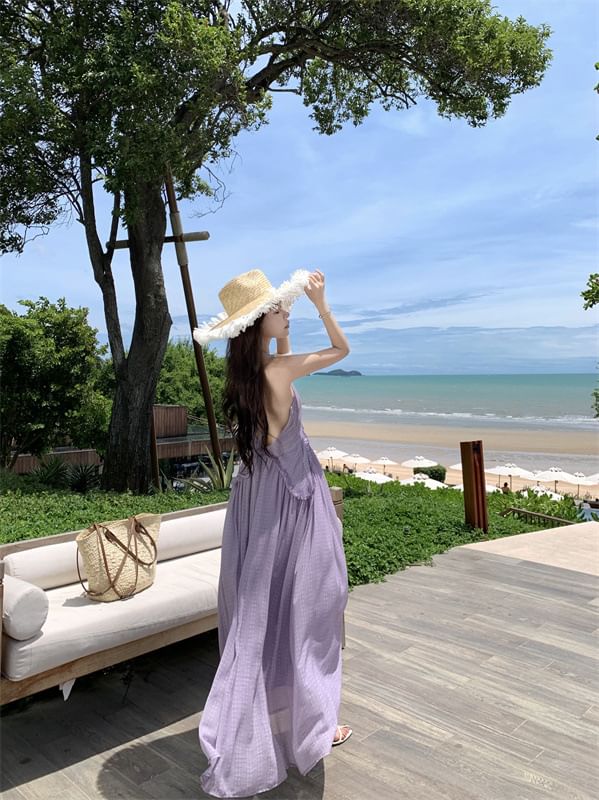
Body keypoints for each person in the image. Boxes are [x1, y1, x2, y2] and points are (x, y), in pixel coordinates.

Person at [193, 268, 352, 798]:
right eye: (278, 309)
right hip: (294, 500)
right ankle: (314, 724)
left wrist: (285, 327)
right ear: (258, 323)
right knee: (312, 609)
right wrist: (323, 304)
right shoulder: (279, 370)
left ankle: (291, 723)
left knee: (265, 612)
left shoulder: (248, 374)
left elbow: (281, 369)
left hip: (257, 498)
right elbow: (342, 350)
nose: (287, 313)